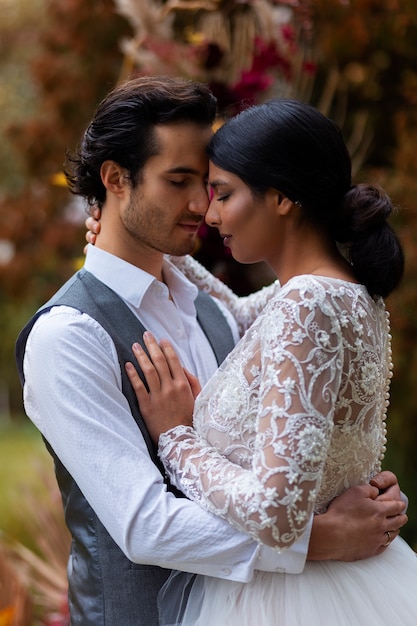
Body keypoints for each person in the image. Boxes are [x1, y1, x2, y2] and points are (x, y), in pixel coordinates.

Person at [15, 77, 407, 626]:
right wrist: (319, 538)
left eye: (211, 185)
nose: (203, 205)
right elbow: (145, 524)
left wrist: (349, 487)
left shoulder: (216, 312)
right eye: (179, 182)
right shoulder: (69, 336)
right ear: (115, 180)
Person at [123, 98, 417, 625]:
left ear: (281, 197)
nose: (210, 215)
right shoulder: (348, 293)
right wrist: (152, 242)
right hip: (351, 583)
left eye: (224, 194)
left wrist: (176, 437)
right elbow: (237, 314)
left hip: (292, 602)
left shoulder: (307, 305)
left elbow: (277, 516)